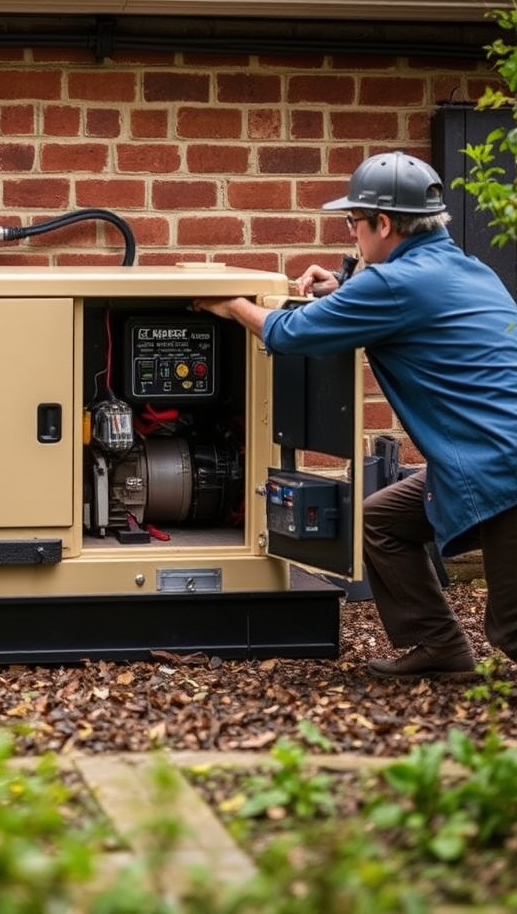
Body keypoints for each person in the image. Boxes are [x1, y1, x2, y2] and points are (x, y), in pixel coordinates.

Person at [195, 151, 517, 679]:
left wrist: (231, 304)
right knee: (382, 521)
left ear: (383, 223)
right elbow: (404, 306)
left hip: (499, 467)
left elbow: (288, 333)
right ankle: (438, 648)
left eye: (353, 222)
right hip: (487, 457)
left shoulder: (392, 285)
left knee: (511, 627)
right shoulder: (464, 267)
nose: (351, 234)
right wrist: (345, 288)